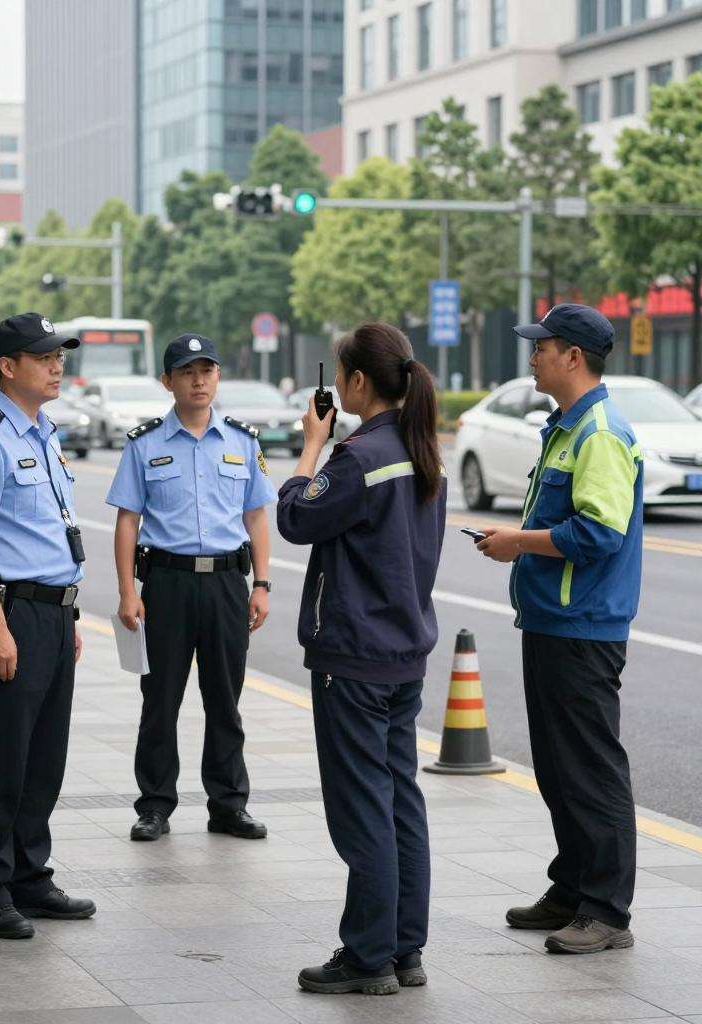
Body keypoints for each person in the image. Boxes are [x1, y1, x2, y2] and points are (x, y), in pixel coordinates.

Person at [277, 322, 446, 996]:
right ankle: (406, 949)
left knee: (363, 808)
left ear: (353, 382)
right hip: (404, 652)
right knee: (400, 798)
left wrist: (310, 449)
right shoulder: (419, 446)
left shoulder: (360, 457)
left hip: (354, 656)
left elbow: (296, 517)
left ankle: (368, 955)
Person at [477, 303, 641, 954]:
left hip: (584, 625)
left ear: (573, 356)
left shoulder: (599, 431)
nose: (533, 354)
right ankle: (572, 888)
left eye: (542, 345)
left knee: (590, 768)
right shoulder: (567, 426)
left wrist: (519, 542)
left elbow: (600, 532)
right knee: (558, 765)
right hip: (554, 618)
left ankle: (606, 911)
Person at [0, 312, 95, 941]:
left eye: (60, 354)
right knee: (0, 758)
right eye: (44, 356)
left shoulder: (40, 434)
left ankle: (29, 875)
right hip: (11, 613)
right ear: (9, 366)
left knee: (43, 755)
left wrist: (70, 614)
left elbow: (47, 532)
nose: (58, 364)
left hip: (52, 612)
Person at [106, 333, 276, 842]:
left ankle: (228, 804)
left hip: (227, 583)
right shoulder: (145, 444)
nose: (199, 380)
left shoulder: (243, 441)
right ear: (168, 381)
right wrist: (126, 592)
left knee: (225, 699)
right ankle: (155, 805)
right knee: (160, 699)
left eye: (208, 370)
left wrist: (261, 583)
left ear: (218, 377)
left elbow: (256, 517)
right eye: (187, 372)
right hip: (167, 584)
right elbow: (127, 521)